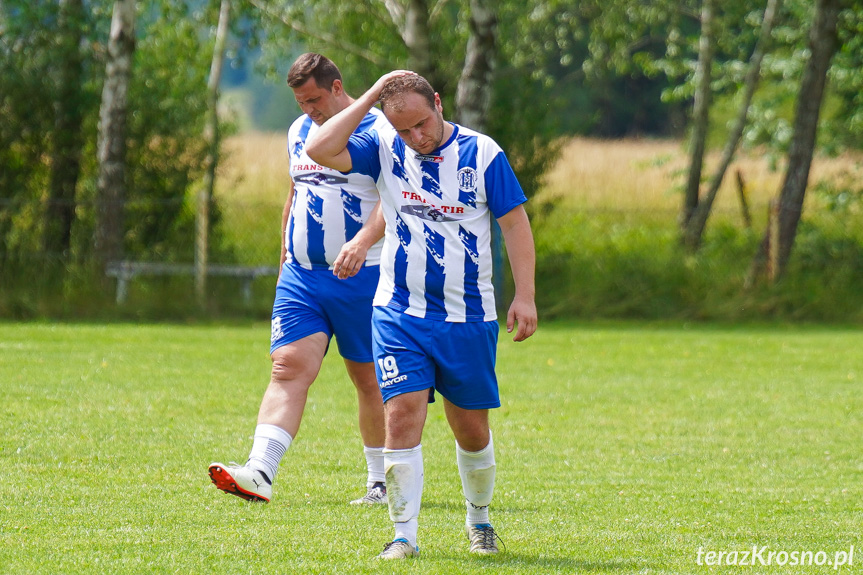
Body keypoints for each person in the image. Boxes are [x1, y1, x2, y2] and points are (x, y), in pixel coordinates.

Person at [305, 70, 538, 559]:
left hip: (468, 316)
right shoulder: (385, 146)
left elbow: (514, 223)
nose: (416, 138)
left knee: (470, 428)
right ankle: (403, 534)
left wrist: (525, 295)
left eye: (422, 125)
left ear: (437, 102)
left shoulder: (483, 153)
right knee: (402, 415)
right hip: (398, 312)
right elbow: (320, 149)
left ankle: (479, 520)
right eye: (404, 130)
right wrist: (371, 96)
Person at [208, 53, 390, 506]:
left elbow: (396, 199)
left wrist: (364, 241)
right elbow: (296, 191)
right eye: (300, 102)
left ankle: (380, 482)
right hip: (302, 278)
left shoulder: (381, 131)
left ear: (336, 86)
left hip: (365, 276)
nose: (308, 110)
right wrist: (284, 255)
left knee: (368, 380)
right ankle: (260, 472)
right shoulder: (297, 130)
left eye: (313, 100)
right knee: (287, 368)